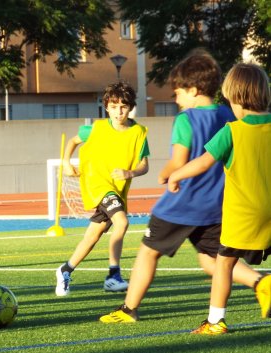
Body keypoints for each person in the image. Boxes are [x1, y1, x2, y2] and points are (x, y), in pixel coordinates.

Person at [100, 51, 266, 324]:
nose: (175, 99)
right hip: (218, 205)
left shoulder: (186, 120)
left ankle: (128, 309)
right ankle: (262, 284)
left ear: (193, 90)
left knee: (148, 251)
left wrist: (166, 174)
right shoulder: (230, 114)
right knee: (213, 260)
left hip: (182, 204)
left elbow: (180, 161)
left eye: (177, 93)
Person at [167, 62, 271, 334]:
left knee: (224, 263)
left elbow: (202, 163)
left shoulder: (233, 131)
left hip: (243, 216)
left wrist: (176, 175)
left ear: (235, 97)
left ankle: (215, 321)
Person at [55, 82, 149, 296]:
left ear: (131, 107)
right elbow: (73, 141)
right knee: (122, 222)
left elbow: (144, 165)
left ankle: (65, 270)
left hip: (117, 190)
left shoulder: (139, 132)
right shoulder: (95, 128)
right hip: (98, 186)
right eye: (114, 106)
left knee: (93, 236)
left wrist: (130, 173)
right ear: (107, 106)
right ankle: (113, 276)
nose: (119, 111)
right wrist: (67, 163)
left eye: (123, 106)